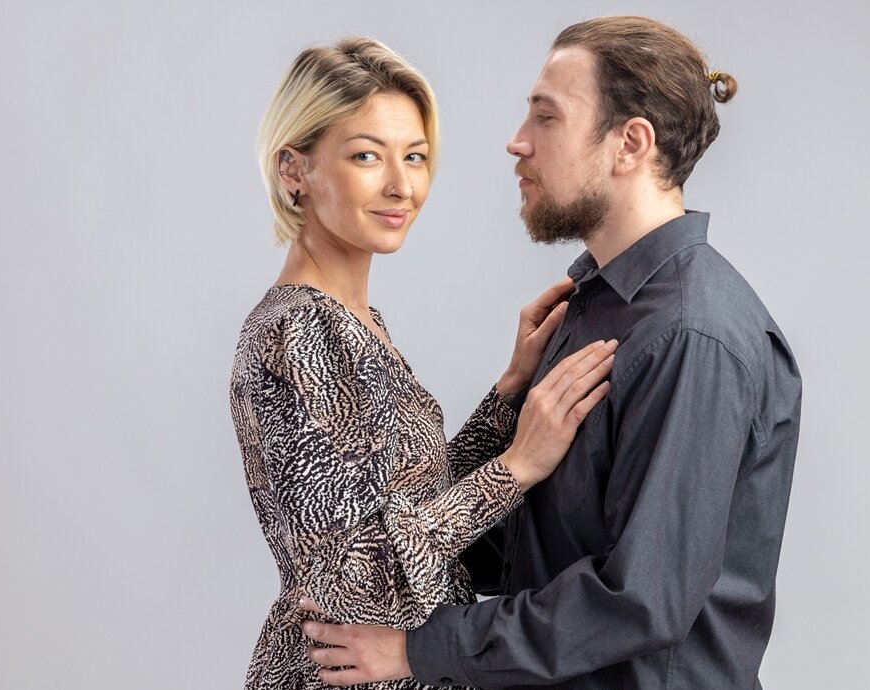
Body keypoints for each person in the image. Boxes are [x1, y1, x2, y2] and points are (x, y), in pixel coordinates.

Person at [300, 16, 803, 689]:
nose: (518, 142)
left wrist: (421, 649)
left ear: (630, 143)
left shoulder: (692, 336)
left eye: (546, 117)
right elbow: (530, 546)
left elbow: (640, 600)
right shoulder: (589, 304)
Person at [229, 37, 616, 689]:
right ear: (293, 169)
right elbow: (359, 571)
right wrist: (519, 466)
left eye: (415, 156)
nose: (401, 185)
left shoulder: (355, 321)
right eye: (366, 155)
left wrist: (509, 392)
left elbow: (411, 505)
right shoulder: (301, 329)